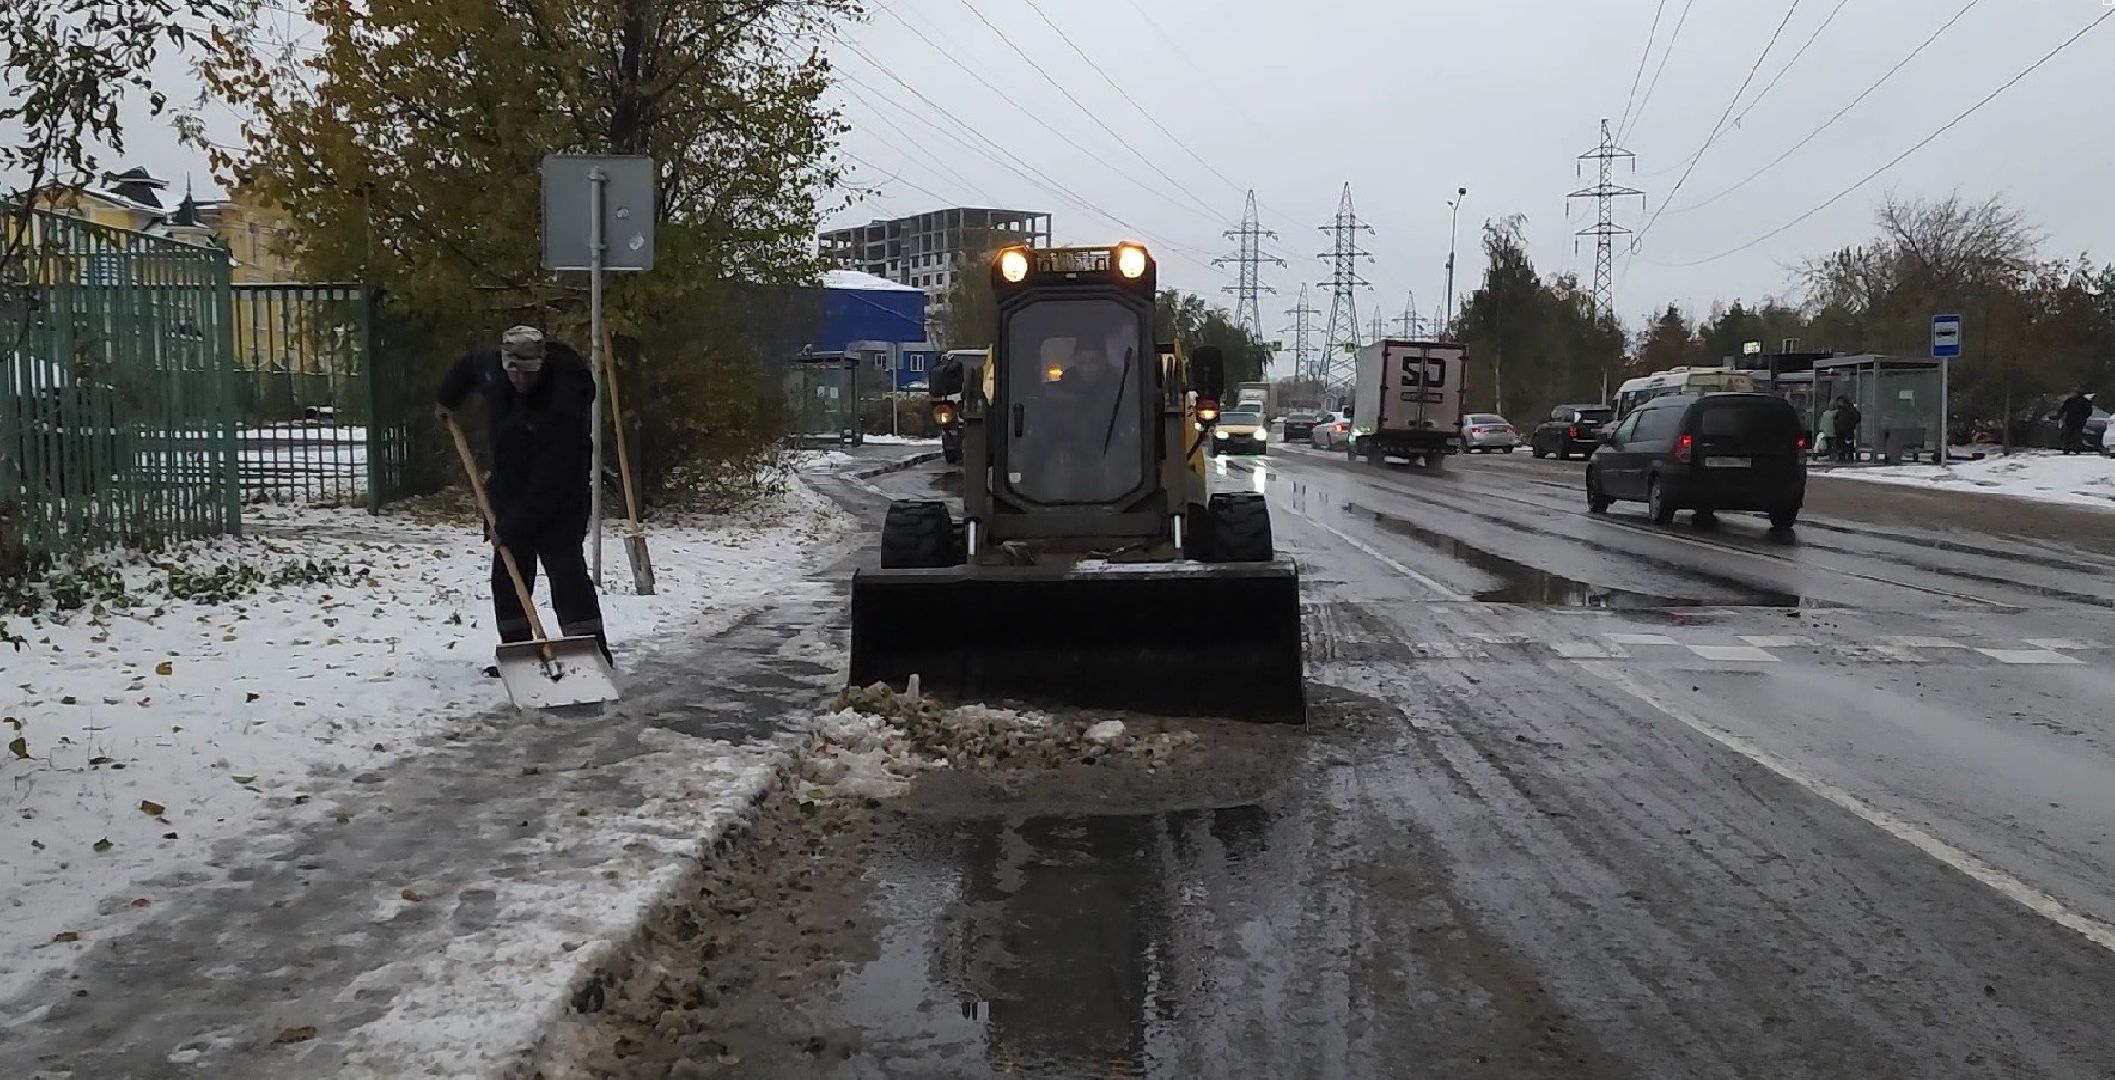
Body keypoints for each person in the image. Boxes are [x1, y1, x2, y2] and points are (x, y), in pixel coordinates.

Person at [435, 326, 610, 673]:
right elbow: (468, 367)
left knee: (566, 573)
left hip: (561, 495)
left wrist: (509, 527)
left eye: (528, 372)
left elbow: (550, 480)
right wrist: (447, 398)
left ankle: (591, 656)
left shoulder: (563, 398)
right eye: (513, 371)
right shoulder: (493, 368)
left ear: (541, 364)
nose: (519, 379)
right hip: (510, 485)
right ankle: (519, 657)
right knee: (508, 576)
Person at [2055, 389, 2094, 455]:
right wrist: (2084, 417)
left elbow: (2062, 409)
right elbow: (2089, 412)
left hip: (2069, 420)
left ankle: (2066, 449)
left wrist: (2058, 416)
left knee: (2067, 435)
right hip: (2080, 421)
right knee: (2077, 435)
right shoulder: (2085, 402)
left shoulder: (2069, 401)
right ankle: (2077, 449)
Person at [1831, 396, 1861, 463]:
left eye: (1839, 401)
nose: (1837, 403)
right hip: (1846, 430)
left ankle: (1843, 458)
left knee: (1843, 445)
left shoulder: (1844, 410)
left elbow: (1856, 417)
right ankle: (1848, 458)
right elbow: (1857, 417)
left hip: (1844, 430)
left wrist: (1850, 424)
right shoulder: (1850, 409)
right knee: (1847, 445)